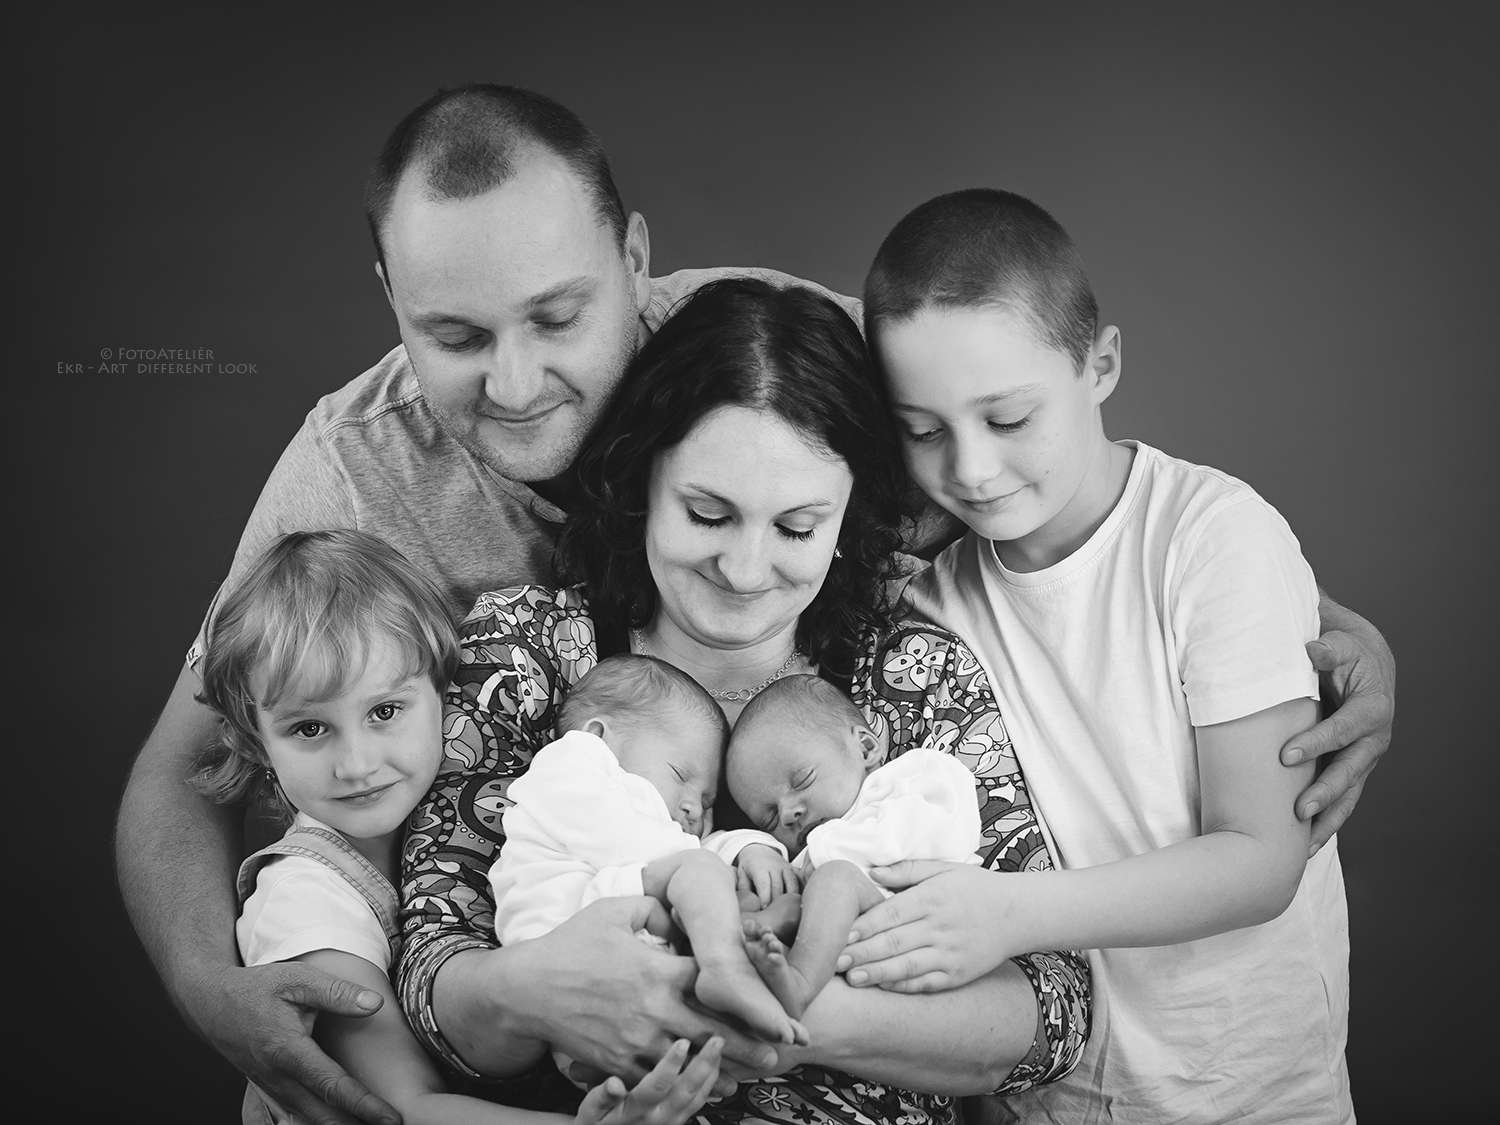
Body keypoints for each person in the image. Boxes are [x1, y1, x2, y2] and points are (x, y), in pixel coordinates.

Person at [111, 82, 1394, 1125]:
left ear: (633, 261)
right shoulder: (403, 524)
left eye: (557, 316)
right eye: (455, 335)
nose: (513, 380)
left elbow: (1031, 466)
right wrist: (206, 985)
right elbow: (207, 773)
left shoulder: (833, 443)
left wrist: (1301, 619)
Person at [400, 277, 1090, 1125]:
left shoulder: (914, 676)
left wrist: (793, 1020)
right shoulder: (528, 654)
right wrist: (539, 992)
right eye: (707, 514)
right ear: (641, 481)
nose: (745, 568)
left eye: (797, 527)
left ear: (848, 521)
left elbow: (1055, 1009)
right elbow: (430, 971)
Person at [849, 188, 1354, 1123]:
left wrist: (1008, 911)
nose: (970, 468)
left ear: (1101, 364)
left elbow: (1260, 857)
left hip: (1250, 1086)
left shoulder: (1211, 538)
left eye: (1008, 418)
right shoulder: (932, 601)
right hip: (1055, 1096)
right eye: (924, 430)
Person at [196, 529, 724, 1125]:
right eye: (309, 729)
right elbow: (402, 1109)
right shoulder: (307, 897)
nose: (357, 764)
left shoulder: (484, 820)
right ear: (255, 742)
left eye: (384, 711)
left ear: (447, 691)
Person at [489, 655, 806, 1047]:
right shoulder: (566, 770)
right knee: (704, 877)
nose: (694, 809)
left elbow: (687, 851)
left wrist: (750, 848)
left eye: (707, 802)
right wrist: (716, 871)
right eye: (681, 775)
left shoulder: (652, 824)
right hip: (561, 941)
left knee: (722, 890)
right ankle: (725, 966)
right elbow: (633, 843)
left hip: (621, 938)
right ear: (597, 736)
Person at [726, 674, 983, 1019]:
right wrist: (752, 847)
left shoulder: (912, 778)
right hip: (845, 939)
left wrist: (828, 851)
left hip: (922, 924)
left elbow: (937, 831)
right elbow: (707, 849)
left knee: (835, 880)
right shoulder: (808, 847)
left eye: (802, 780)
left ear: (865, 748)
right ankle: (748, 947)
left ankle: (799, 984)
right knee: (757, 895)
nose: (787, 814)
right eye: (769, 818)